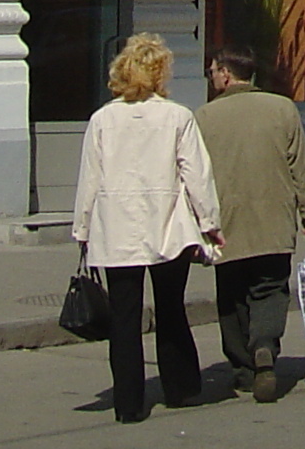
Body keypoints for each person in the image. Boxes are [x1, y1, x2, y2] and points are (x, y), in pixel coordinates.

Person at [74, 33, 220, 423]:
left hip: (117, 226)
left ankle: (128, 403)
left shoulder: (103, 119)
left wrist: (83, 229)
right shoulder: (177, 117)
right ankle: (180, 388)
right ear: (160, 74)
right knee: (171, 308)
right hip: (168, 224)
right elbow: (197, 175)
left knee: (124, 317)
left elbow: (90, 178)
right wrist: (210, 223)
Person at [193, 47, 305, 405]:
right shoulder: (282, 108)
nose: (211, 77)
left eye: (212, 71)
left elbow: (194, 173)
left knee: (232, 296)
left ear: (225, 74)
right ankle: (264, 346)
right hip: (274, 220)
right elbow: (302, 168)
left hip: (226, 223)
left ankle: (243, 369)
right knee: (270, 289)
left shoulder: (204, 116)